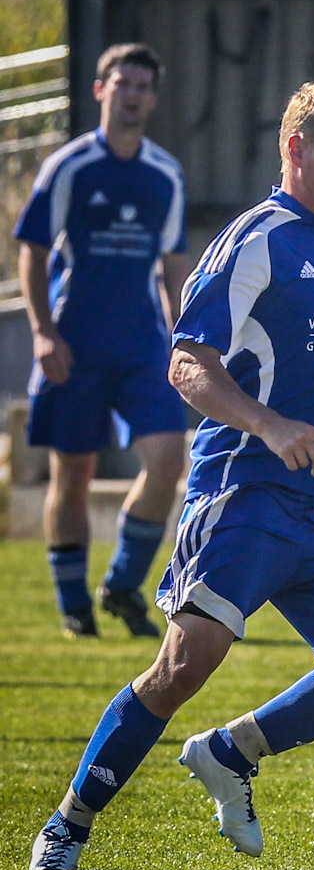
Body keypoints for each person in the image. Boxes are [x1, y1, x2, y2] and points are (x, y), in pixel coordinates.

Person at [28, 80, 314, 870]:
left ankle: (231, 750)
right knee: (184, 665)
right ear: (295, 148)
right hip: (244, 496)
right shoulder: (254, 240)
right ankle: (69, 818)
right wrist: (269, 423)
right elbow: (187, 363)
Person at [15, 42, 190, 639]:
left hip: (144, 345)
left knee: (169, 462)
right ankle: (74, 607)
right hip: (75, 343)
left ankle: (121, 584)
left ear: (154, 97)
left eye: (144, 85)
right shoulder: (69, 166)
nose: (134, 94)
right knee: (73, 474)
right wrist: (43, 332)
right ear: (100, 90)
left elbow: (172, 263)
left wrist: (183, 337)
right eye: (124, 83)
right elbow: (33, 254)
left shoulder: (165, 173)